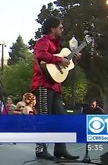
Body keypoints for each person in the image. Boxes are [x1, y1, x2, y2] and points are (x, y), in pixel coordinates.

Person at [31, 16, 80, 160]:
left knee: (61, 117)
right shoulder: (43, 42)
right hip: (43, 84)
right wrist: (59, 59)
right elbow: (41, 55)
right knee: (44, 118)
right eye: (60, 27)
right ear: (52, 29)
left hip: (55, 86)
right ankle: (41, 150)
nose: (62, 29)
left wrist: (72, 59)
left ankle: (60, 149)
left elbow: (64, 63)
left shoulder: (58, 46)